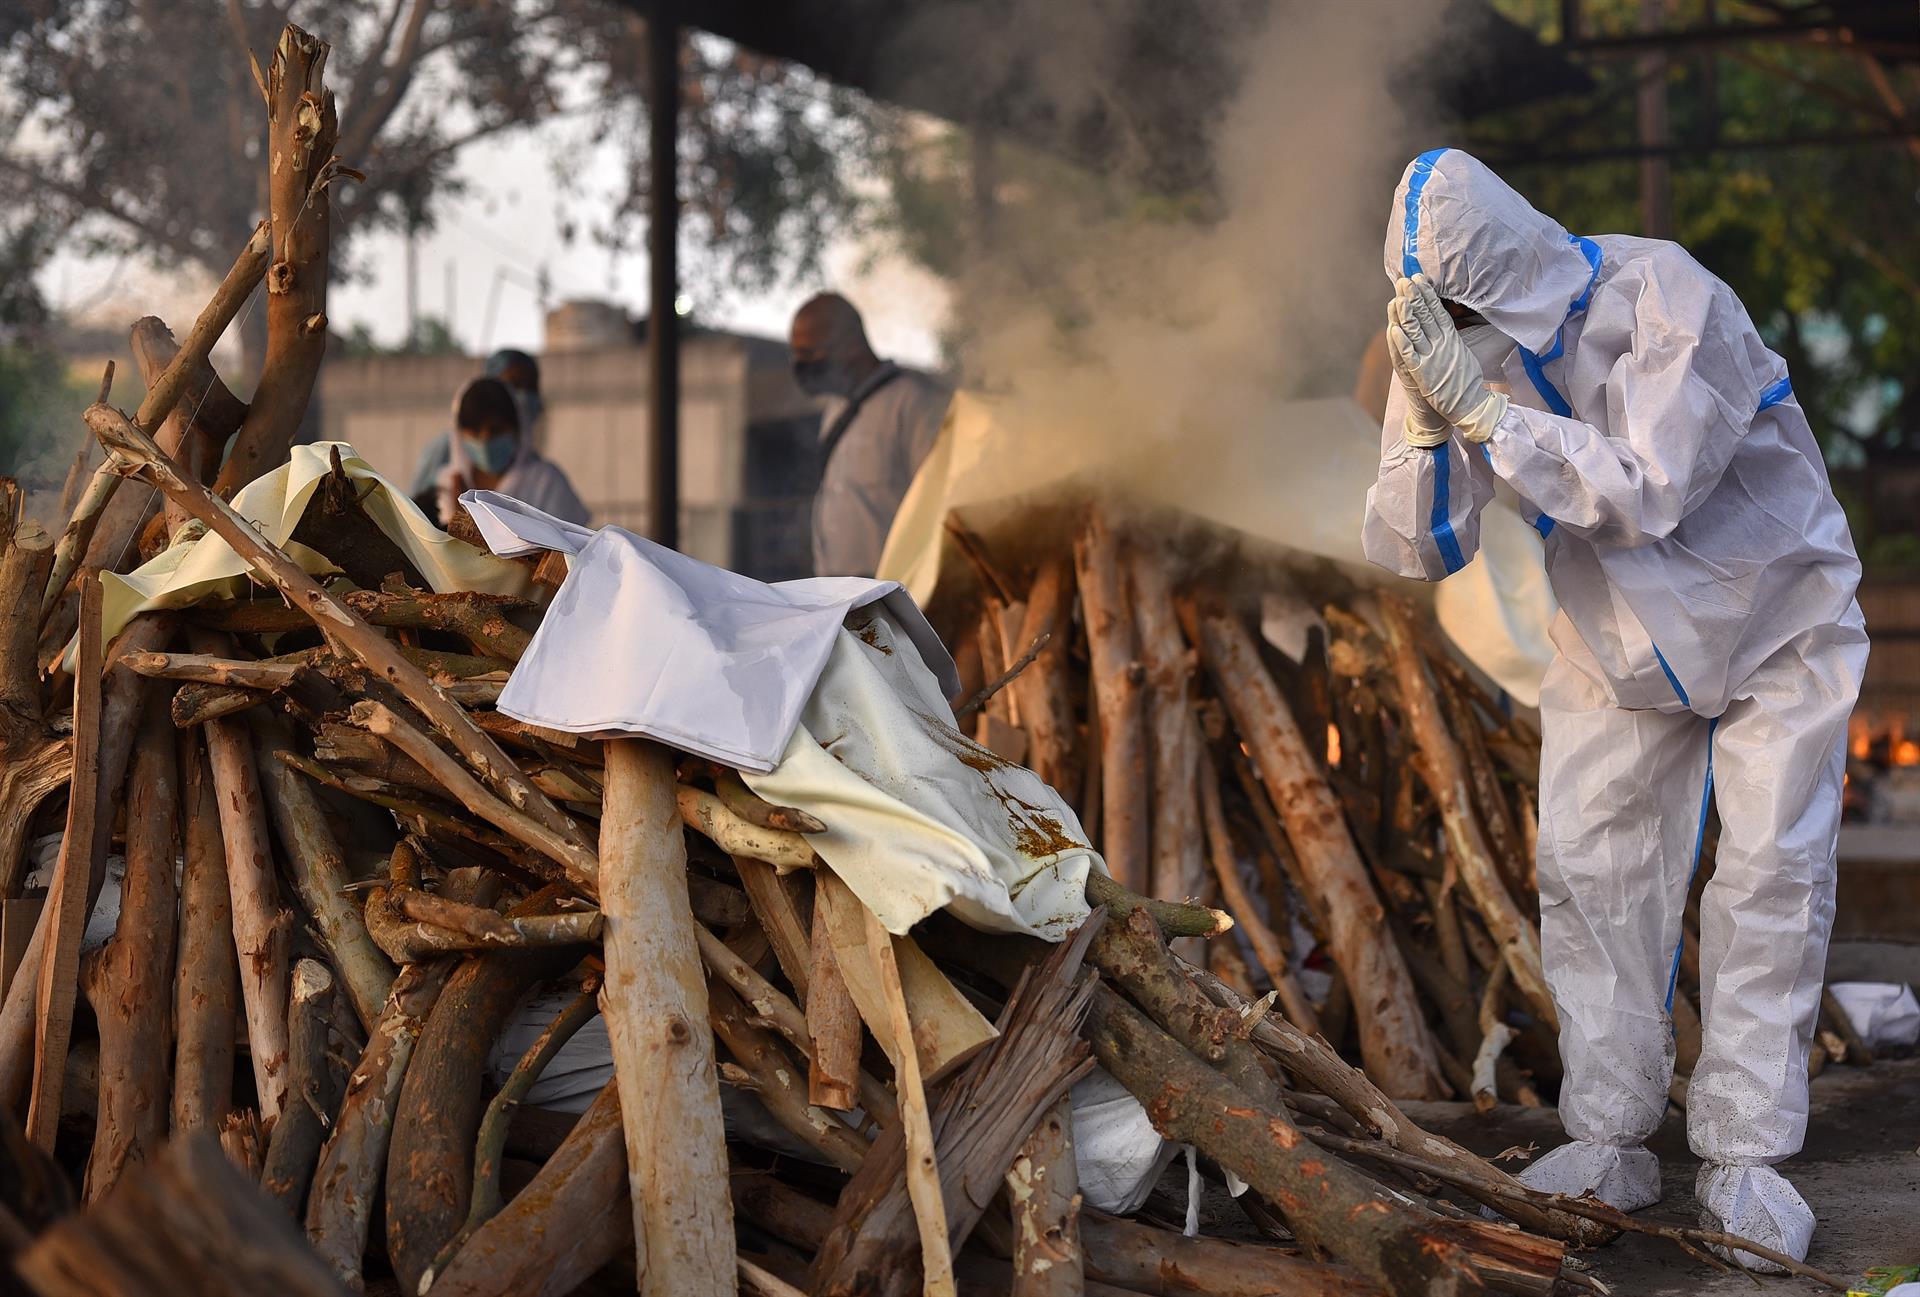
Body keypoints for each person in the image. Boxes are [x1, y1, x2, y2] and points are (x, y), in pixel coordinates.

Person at [1363, 148, 1866, 1270]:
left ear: (1500, 273)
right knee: (1591, 867)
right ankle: (1609, 1133)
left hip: (1775, 616)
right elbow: (1415, 545)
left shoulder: (1665, 296)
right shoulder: (1456, 348)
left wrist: (1486, 411)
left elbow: (1648, 488)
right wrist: (1432, 422)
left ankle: (1745, 1154)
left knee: (1770, 875)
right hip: (1612, 640)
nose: (1451, 326)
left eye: (1460, 308)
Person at [789, 293, 952, 577]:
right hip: (839, 599)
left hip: (895, 597)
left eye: (811, 353)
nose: (801, 365)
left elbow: (938, 507)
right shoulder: (835, 409)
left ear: (851, 346)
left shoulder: (912, 403)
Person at [433, 376, 588, 527]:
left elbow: (572, 545)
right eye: (475, 433)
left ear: (517, 429)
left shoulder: (546, 483)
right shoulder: (446, 486)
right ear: (459, 435)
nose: (485, 440)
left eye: (496, 431)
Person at [409, 349, 547, 501]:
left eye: (530, 386)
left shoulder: (541, 477)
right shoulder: (444, 451)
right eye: (514, 383)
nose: (523, 394)